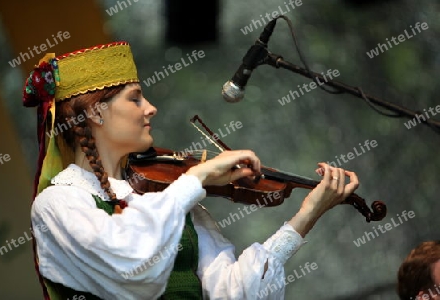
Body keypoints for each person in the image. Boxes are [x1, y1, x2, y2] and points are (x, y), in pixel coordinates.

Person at [24, 41, 360, 300]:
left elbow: (232, 292)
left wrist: (305, 216)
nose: (151, 108)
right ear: (96, 113)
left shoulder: (165, 197)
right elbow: (129, 265)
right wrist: (195, 178)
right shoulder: (58, 204)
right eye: (136, 99)